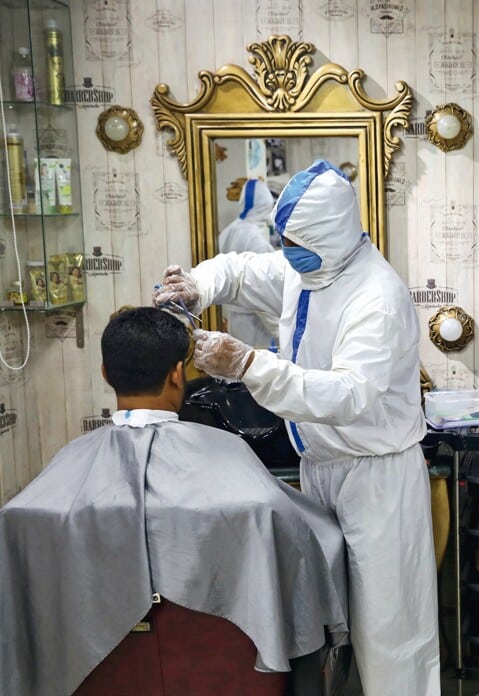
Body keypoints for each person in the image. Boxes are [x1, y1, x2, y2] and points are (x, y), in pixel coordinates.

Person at [152, 158, 440, 695]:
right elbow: (240, 271)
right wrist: (197, 285)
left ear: (328, 236)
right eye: (283, 240)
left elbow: (348, 394)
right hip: (320, 468)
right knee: (330, 625)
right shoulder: (307, 268)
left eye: (295, 243)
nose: (285, 251)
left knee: (389, 632)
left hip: (376, 477)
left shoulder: (376, 296)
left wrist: (249, 364)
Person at [0, 307, 349, 695]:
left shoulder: (40, 494)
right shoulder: (231, 459)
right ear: (178, 374)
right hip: (225, 669)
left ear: (105, 373)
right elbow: (306, 541)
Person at [217, 178, 278, 347]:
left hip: (233, 316)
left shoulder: (229, 231)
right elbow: (262, 289)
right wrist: (279, 331)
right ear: (265, 205)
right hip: (255, 321)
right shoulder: (254, 239)